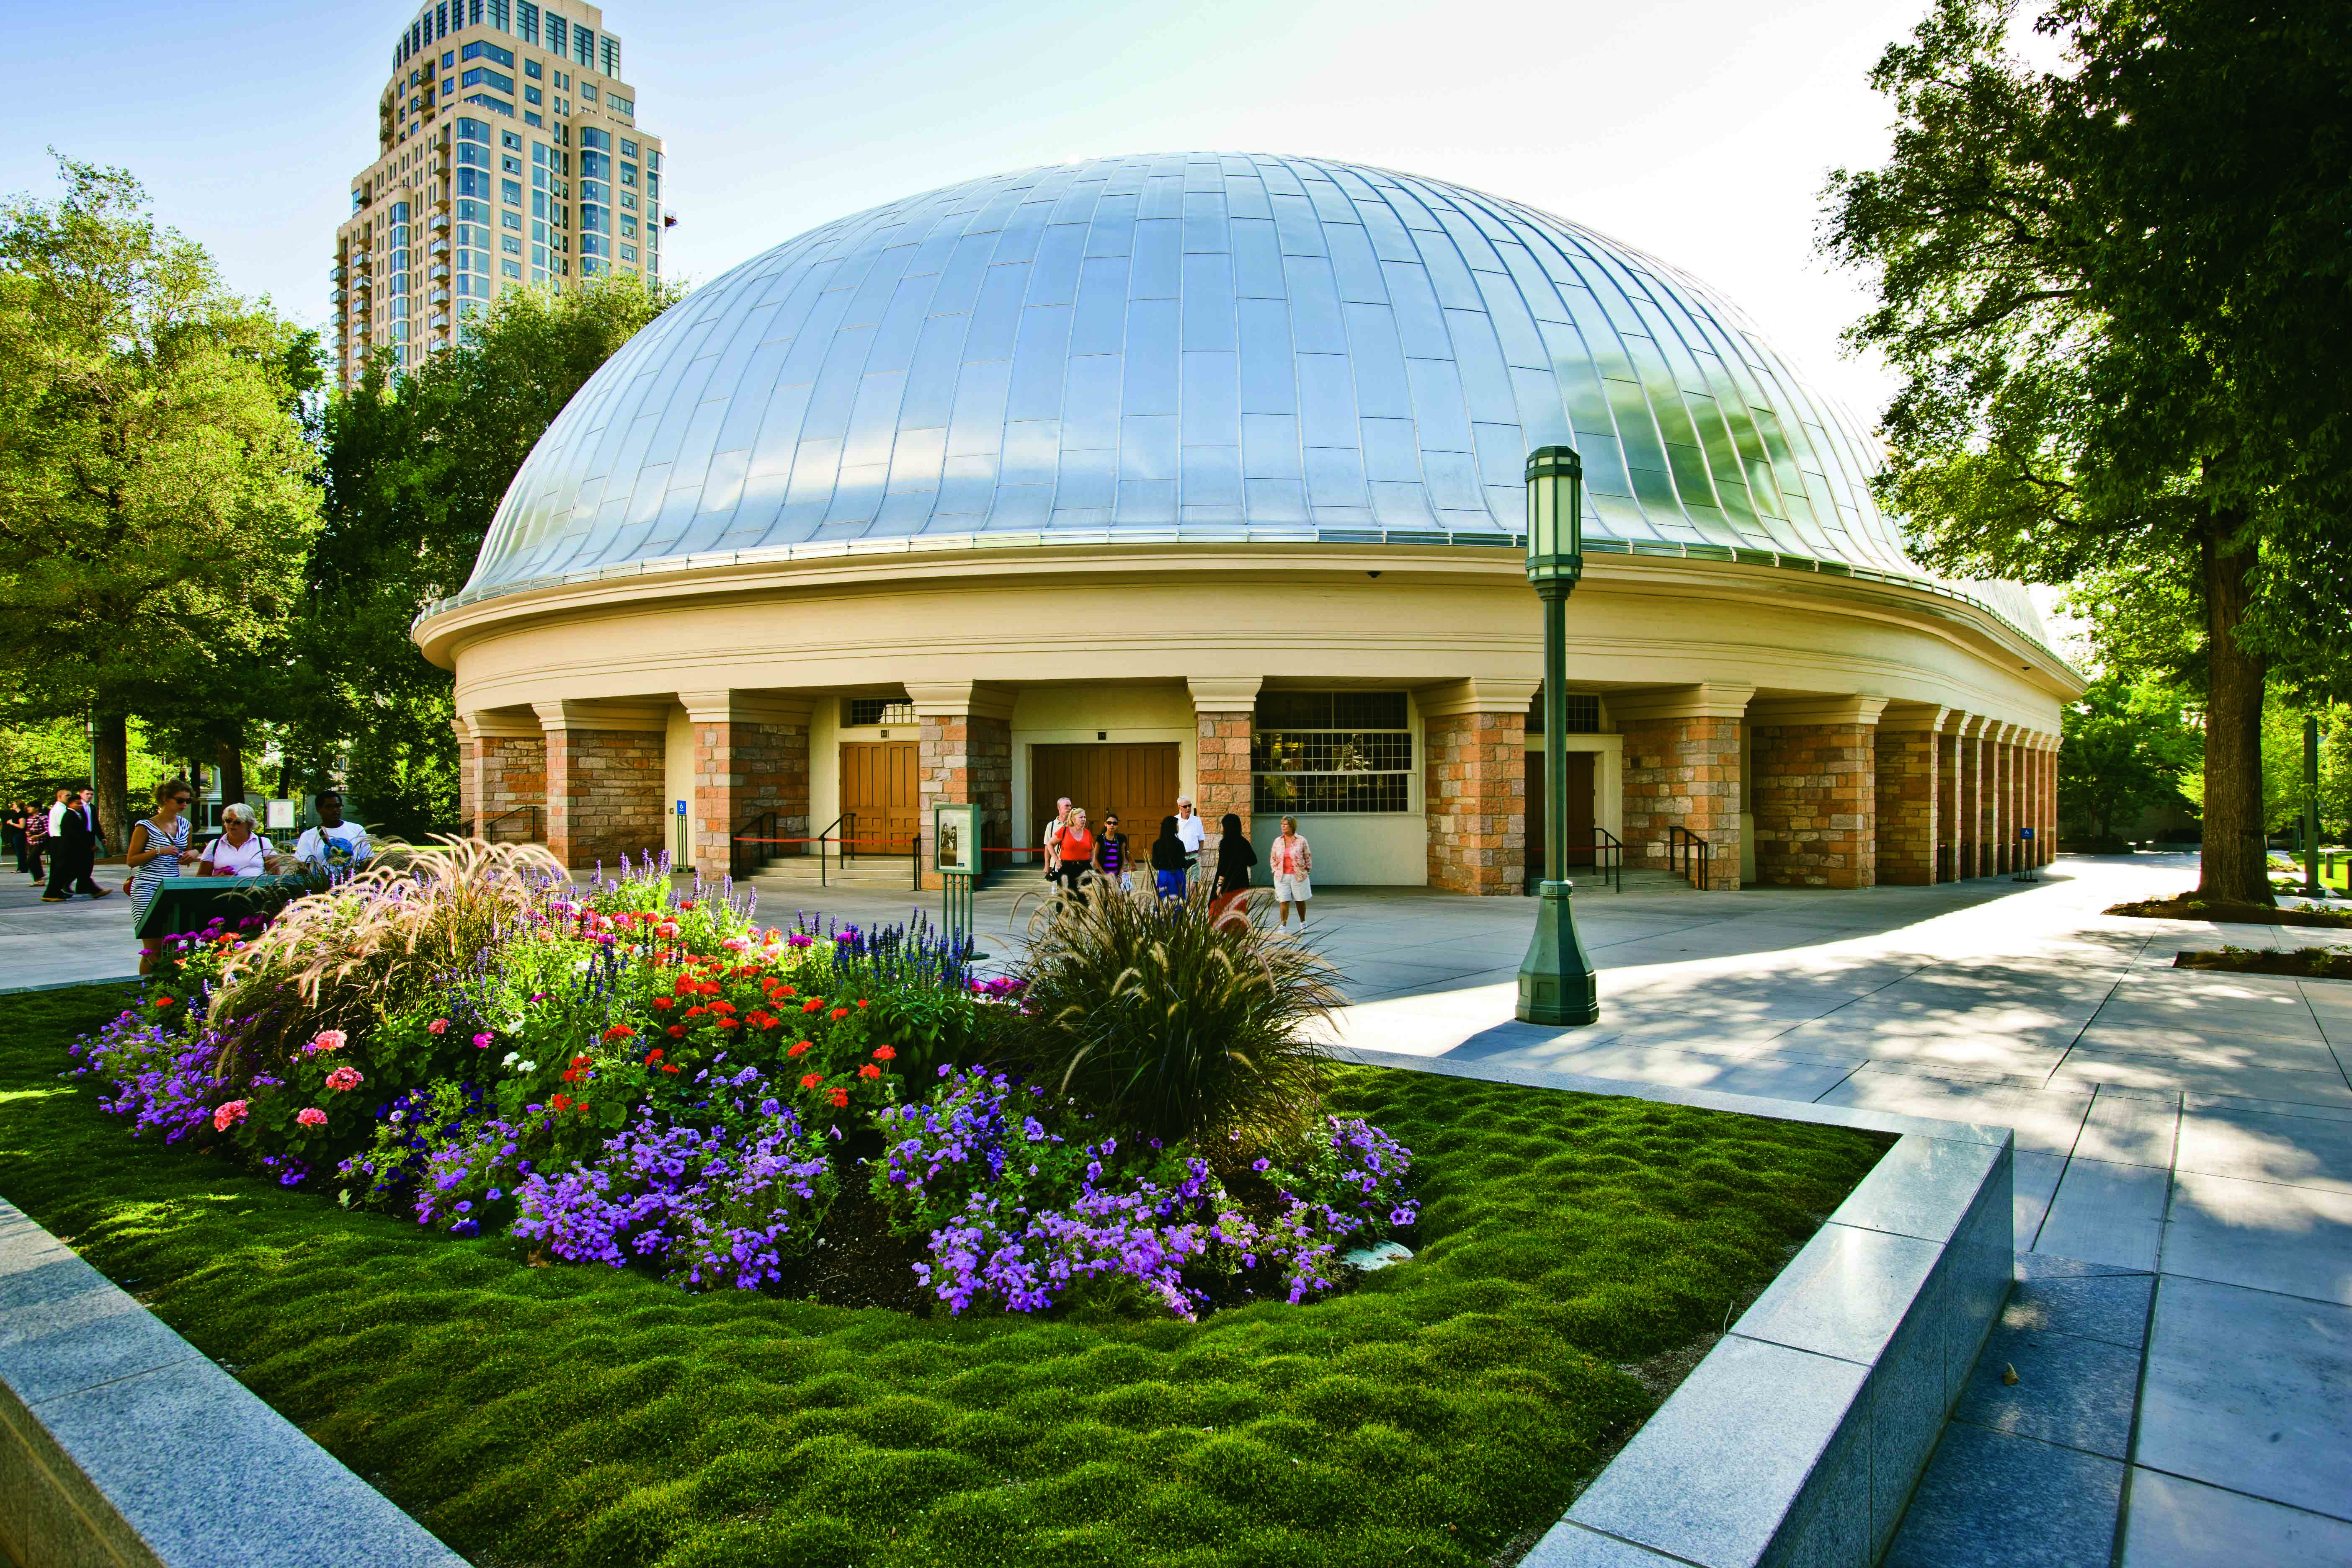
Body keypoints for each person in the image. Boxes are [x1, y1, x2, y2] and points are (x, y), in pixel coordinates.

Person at [126, 779, 203, 973]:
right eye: (180, 800)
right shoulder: (145, 826)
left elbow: (185, 854)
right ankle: (145, 990)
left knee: (172, 946)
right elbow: (132, 860)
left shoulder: (186, 825)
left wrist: (193, 854)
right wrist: (158, 851)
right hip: (147, 887)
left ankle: (167, 989)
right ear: (165, 800)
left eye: (188, 801)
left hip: (171, 888)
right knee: (152, 947)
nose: (184, 805)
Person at [44, 786, 107, 902]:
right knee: (63, 871)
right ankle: (51, 893)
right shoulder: (66, 813)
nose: (80, 806)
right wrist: (88, 846)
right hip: (66, 846)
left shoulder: (75, 813)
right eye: (77, 804)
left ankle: (94, 891)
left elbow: (90, 827)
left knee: (77, 870)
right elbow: (74, 833)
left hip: (70, 846)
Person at [293, 791, 372, 872]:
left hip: (353, 883)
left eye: (338, 806)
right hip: (323, 884)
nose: (335, 810)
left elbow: (367, 861)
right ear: (318, 809)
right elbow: (302, 869)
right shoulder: (308, 836)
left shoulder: (357, 830)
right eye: (329, 807)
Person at [198, 802, 277, 877]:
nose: (232, 824)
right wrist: (217, 878)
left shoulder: (263, 843)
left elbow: (275, 876)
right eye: (228, 821)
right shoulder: (214, 845)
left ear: (249, 824)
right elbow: (201, 876)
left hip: (255, 890)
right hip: (224, 890)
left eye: (238, 822)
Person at [1211, 812, 1256, 922]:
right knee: (1238, 914)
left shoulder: (1225, 843)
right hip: (1241, 883)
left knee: (1219, 913)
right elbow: (1253, 861)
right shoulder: (1244, 842)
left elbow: (1223, 867)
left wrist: (1219, 885)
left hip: (1227, 886)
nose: (1221, 827)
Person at [1270, 816, 1313, 926]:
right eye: (1282, 824)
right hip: (1282, 876)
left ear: (1292, 826)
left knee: (1300, 900)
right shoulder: (1278, 841)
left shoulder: (1301, 840)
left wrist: (1307, 870)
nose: (1283, 826)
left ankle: (1303, 923)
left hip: (1298, 876)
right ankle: (1283, 926)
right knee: (1283, 901)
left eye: (1285, 824)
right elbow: (1273, 857)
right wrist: (1275, 870)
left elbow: (1307, 856)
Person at [1052, 807, 1095, 898]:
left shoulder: (1088, 833)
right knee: (1065, 898)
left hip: (1084, 868)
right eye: (1081, 817)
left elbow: (1092, 849)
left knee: (1084, 899)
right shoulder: (1064, 831)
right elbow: (1050, 844)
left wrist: (1092, 862)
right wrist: (1057, 860)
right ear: (1073, 819)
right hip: (1068, 868)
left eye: (1085, 817)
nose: (1084, 820)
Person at [1150, 815, 1189, 900]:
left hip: (1163, 875)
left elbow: (1155, 865)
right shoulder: (1179, 844)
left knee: (1163, 902)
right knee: (1178, 903)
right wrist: (1193, 861)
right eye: (1177, 824)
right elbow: (1183, 863)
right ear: (1172, 827)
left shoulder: (1157, 844)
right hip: (1177, 875)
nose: (1178, 826)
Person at [1096, 812, 1132, 891]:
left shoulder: (1120, 839)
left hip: (1116, 874)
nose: (1112, 825)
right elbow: (1095, 858)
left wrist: (1120, 875)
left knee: (1115, 899)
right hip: (1103, 874)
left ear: (1117, 826)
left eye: (1115, 823)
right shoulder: (1100, 839)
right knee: (1105, 898)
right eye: (1109, 823)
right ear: (1105, 824)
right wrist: (1104, 874)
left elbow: (1123, 859)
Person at [1041, 796, 1072, 883]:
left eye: (1070, 806)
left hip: (1070, 863)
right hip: (1056, 864)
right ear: (1059, 808)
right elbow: (1047, 846)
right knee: (1058, 892)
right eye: (1067, 806)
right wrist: (1047, 864)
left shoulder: (1074, 824)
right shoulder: (1051, 826)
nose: (1069, 808)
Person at [1173, 796, 1206, 874]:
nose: (1188, 808)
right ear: (1179, 807)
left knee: (1194, 882)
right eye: (1185, 807)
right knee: (1180, 881)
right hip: (1180, 857)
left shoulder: (1197, 821)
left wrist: (1199, 854)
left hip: (1194, 856)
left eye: (1190, 806)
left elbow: (1201, 840)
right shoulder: (1175, 820)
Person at [21, 796, 47, 885]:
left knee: (30, 860)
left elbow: (48, 830)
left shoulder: (43, 818)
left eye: (31, 807)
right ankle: (39, 880)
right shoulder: (29, 819)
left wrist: (38, 836)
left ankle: (40, 877)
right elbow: (28, 829)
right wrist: (28, 833)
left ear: (37, 808)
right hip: (31, 842)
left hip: (40, 842)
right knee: (35, 860)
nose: (28, 808)